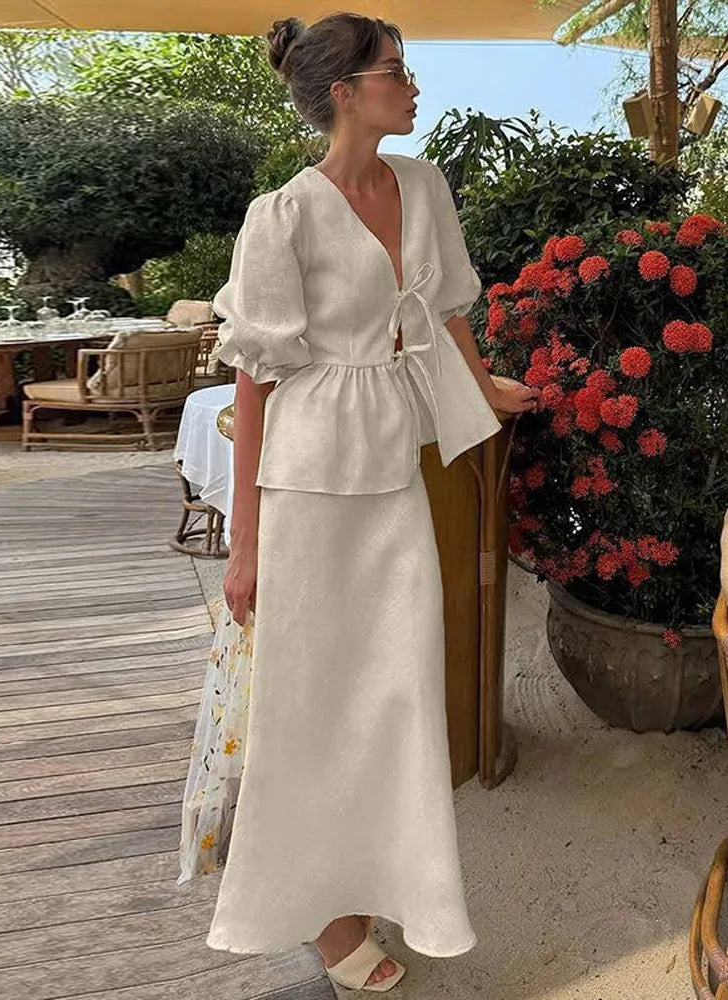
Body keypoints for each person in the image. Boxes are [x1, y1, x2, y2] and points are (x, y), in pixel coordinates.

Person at [204, 11, 544, 992]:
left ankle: (403, 880)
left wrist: (482, 386)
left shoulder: (423, 184)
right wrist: (243, 543)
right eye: (396, 71)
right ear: (345, 91)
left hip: (392, 467)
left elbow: (442, 308)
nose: (413, 84)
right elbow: (254, 381)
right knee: (310, 707)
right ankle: (326, 915)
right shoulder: (284, 215)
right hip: (305, 484)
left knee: (396, 692)